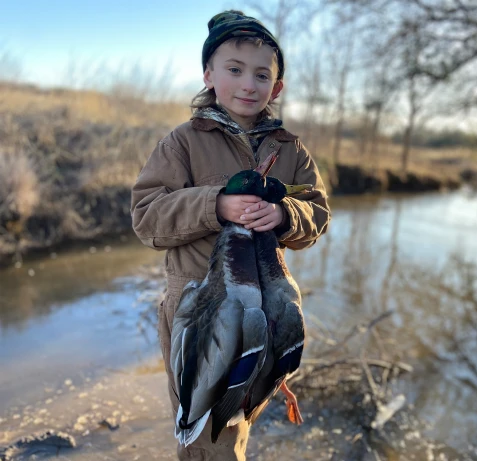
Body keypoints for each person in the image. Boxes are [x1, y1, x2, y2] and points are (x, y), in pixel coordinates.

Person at [130, 10, 330, 461]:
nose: (248, 84)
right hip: (199, 316)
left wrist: (284, 215)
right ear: (209, 75)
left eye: (262, 74)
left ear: (276, 87)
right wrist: (215, 206)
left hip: (264, 310)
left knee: (239, 421)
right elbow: (146, 218)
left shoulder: (289, 149)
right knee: (208, 436)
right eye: (234, 70)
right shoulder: (181, 143)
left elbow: (317, 214)